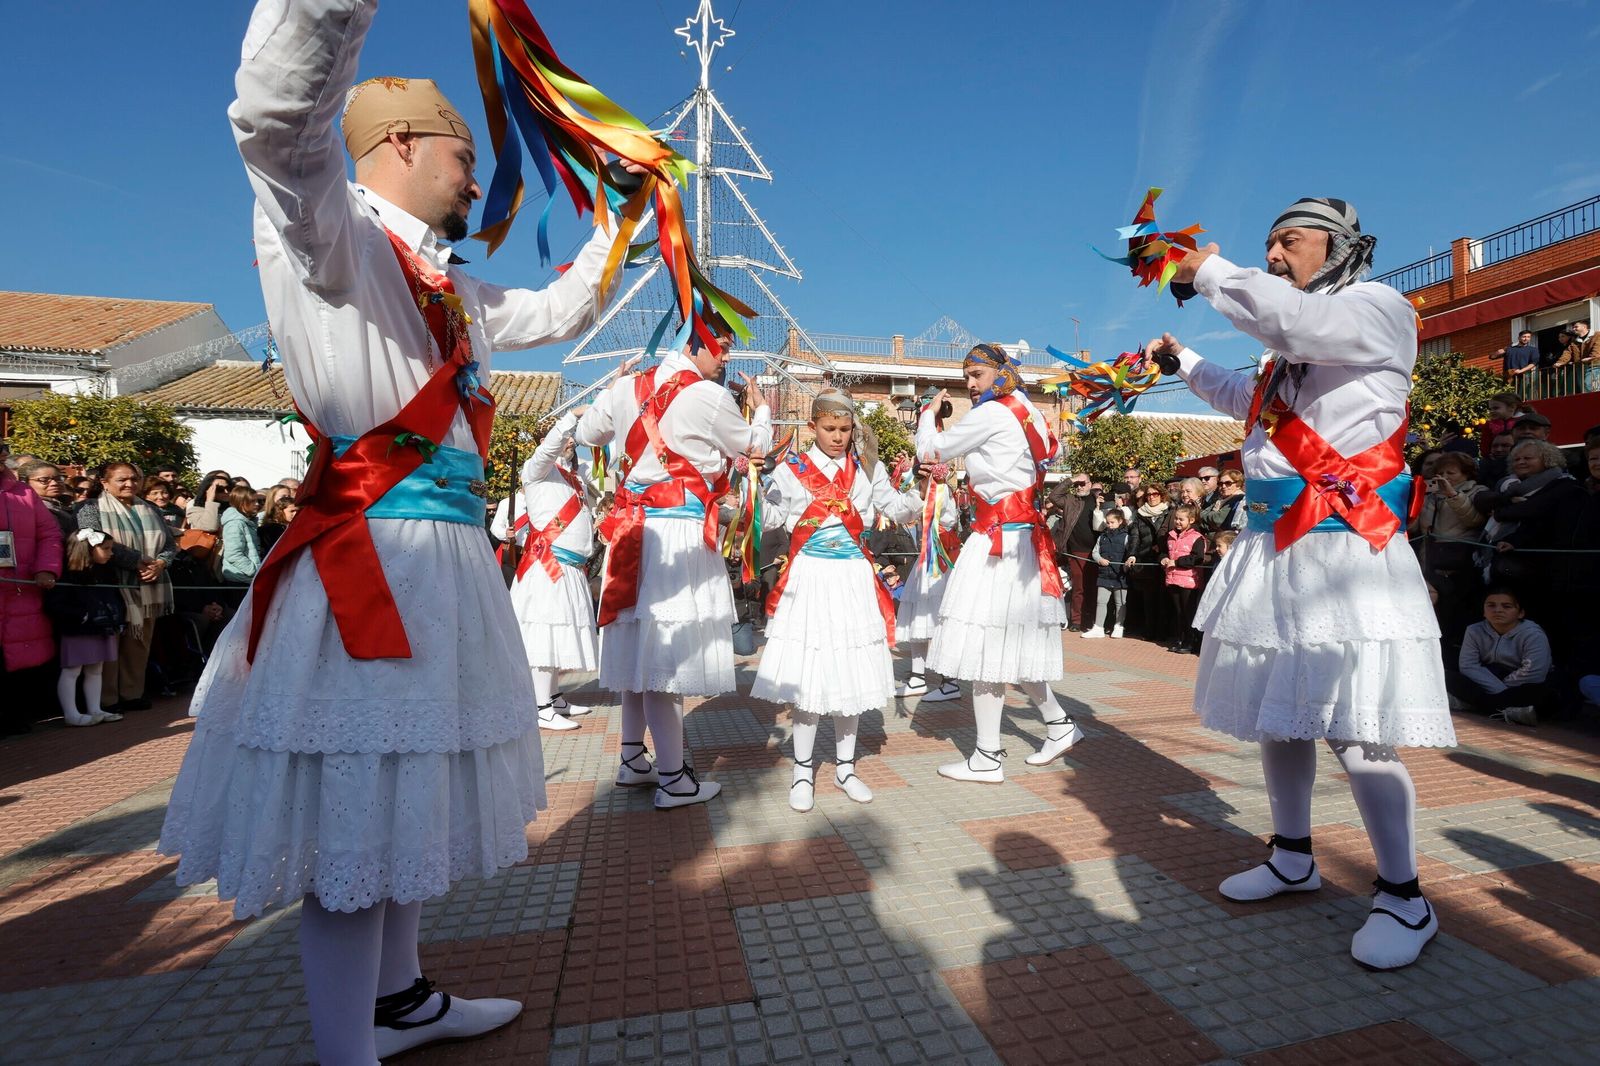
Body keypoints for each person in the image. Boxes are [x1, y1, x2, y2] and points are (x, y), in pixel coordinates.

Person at [157, 4, 630, 1062]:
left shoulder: (446, 282)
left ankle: (400, 996)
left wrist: (630, 222)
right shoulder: (331, 235)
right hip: (371, 560)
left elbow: (556, 314)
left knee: (409, 794)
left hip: (443, 568)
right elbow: (277, 123)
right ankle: (344, 1046)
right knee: (359, 816)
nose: (477, 177)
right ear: (402, 145)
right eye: (467, 155)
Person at [1149, 196, 1455, 971]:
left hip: (1343, 548)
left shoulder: (1375, 309)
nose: (1275, 255)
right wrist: (1181, 365)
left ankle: (1404, 896)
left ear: (1342, 245)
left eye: (1288, 241)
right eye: (1268, 245)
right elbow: (1245, 405)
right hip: (1274, 547)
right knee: (1279, 721)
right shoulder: (1285, 352)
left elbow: (1291, 320)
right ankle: (1293, 857)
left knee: (1358, 729)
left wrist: (1206, 267)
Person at [578, 325, 771, 809]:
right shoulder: (708, 395)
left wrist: (612, 389)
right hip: (678, 534)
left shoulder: (627, 387)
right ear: (693, 343)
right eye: (720, 347)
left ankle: (631, 761)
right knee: (666, 661)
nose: (724, 358)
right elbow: (753, 446)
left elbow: (586, 433)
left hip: (633, 534)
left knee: (641, 655)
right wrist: (763, 407)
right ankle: (673, 780)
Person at [916, 343, 1083, 781]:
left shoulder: (992, 413)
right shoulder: (1026, 406)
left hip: (998, 541)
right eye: (967, 375)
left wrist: (926, 414)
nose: (970, 384)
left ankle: (987, 757)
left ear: (1000, 372)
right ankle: (1060, 725)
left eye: (977, 374)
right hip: (1018, 540)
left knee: (986, 648)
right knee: (1011, 647)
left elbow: (931, 451)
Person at [753, 390, 920, 811]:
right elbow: (770, 517)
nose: (838, 437)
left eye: (845, 430)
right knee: (810, 676)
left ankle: (846, 768)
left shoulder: (868, 467)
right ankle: (802, 772)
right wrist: (750, 481)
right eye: (829, 429)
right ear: (812, 427)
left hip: (852, 578)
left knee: (850, 673)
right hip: (809, 578)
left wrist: (925, 483)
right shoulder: (792, 468)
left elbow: (900, 510)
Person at [489, 409, 598, 733]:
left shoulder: (572, 479)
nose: (567, 443)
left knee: (557, 635)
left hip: (569, 568)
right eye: (561, 439)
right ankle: (539, 707)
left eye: (569, 439)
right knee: (543, 636)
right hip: (547, 567)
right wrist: (570, 418)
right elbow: (548, 449)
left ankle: (553, 698)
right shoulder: (535, 471)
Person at [76, 462, 176, 713]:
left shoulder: (150, 508)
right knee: (111, 644)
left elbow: (170, 544)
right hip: (110, 584)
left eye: (134, 478)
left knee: (139, 642)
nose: (129, 484)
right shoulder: (89, 508)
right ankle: (107, 699)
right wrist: (136, 562)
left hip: (150, 585)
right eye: (121, 479)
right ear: (105, 482)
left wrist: (161, 563)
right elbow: (95, 540)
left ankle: (132, 693)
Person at [0, 443, 63, 735]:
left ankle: (13, 717)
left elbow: (48, 534)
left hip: (21, 590)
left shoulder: (23, 494)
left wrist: (46, 567)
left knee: (18, 660)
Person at [893, 461, 963, 703]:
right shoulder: (924, 492)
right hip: (928, 561)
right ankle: (917, 677)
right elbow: (903, 508)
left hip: (940, 562)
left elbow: (944, 520)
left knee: (940, 621)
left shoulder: (941, 494)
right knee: (918, 618)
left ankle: (950, 680)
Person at [43, 529, 126, 727]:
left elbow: (116, 598)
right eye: (105, 549)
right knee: (72, 670)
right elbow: (55, 604)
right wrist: (81, 616)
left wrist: (119, 618)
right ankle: (71, 713)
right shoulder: (69, 575)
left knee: (96, 669)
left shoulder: (106, 572)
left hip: (102, 627)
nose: (110, 553)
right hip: (79, 629)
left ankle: (94, 709)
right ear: (87, 549)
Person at [1445, 587, 1551, 727]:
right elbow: (1469, 665)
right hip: (1489, 679)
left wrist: (1504, 689)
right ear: (1484, 611)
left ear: (1521, 613)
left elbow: (1533, 670)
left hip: (1519, 683)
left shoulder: (1533, 634)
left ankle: (1477, 705)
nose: (1498, 610)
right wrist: (1499, 691)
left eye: (1506, 606)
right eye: (1491, 605)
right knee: (1448, 677)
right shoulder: (1474, 631)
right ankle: (1508, 710)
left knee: (1543, 694)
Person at [1045, 472, 1098, 631]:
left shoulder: (1098, 499)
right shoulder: (1070, 500)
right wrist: (1072, 479)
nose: (1080, 487)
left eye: (1083, 483)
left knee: (1095, 587)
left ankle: (1095, 621)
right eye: (1077, 484)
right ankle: (1077, 620)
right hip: (1076, 550)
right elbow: (1054, 496)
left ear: (1090, 484)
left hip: (1097, 550)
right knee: (1079, 586)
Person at [1160, 505, 1206, 653]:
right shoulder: (1171, 535)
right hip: (1173, 578)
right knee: (1178, 611)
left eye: (1181, 519)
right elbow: (1163, 552)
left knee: (1188, 612)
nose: (1177, 522)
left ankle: (1191, 641)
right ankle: (1180, 639)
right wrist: (1163, 558)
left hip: (1189, 581)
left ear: (1191, 520)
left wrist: (1178, 562)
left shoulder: (1197, 537)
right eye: (1176, 519)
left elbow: (1197, 558)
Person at [1085, 507, 1131, 639]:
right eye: (1108, 522)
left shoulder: (1126, 537)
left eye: (1112, 522)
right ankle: (1098, 627)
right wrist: (1099, 560)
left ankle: (1118, 626)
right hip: (1104, 573)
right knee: (1101, 601)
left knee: (1120, 603)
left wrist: (1127, 565)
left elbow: (1130, 553)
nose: (1109, 525)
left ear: (1120, 521)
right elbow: (1095, 552)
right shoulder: (1102, 536)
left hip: (1120, 575)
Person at [17, 460, 77, 544]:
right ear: (24, 482)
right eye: (44, 480)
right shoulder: (29, 509)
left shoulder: (65, 505)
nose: (54, 483)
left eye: (58, 478)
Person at [219, 485, 264, 586]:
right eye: (252, 501)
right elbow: (233, 554)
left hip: (246, 578)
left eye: (257, 501)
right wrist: (254, 571)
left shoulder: (247, 521)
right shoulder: (235, 523)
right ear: (241, 502)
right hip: (240, 578)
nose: (257, 504)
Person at [1199, 468, 1247, 535]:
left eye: (1228, 483)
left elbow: (1217, 519)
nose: (1223, 486)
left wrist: (1211, 513)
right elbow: (1202, 514)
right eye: (1220, 483)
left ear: (1238, 485)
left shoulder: (1238, 499)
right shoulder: (1221, 500)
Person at [257, 490, 298, 556]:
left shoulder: (297, 527)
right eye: (292, 511)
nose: (295, 513)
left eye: (297, 511)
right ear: (281, 511)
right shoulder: (269, 529)